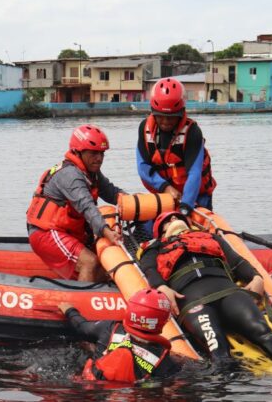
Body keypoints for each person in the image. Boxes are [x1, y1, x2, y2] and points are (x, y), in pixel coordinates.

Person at [139, 211, 272, 377]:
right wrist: (162, 287)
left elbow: (237, 262)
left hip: (229, 293)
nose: (174, 220)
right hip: (194, 301)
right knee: (217, 347)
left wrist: (256, 278)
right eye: (168, 221)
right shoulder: (155, 249)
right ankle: (225, 376)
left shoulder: (210, 238)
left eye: (176, 217)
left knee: (262, 331)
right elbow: (150, 271)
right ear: (161, 232)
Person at [27, 124, 124, 282]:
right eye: (93, 153)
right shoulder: (71, 175)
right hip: (45, 232)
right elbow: (88, 208)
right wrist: (107, 232)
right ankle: (81, 303)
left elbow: (112, 193)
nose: (99, 159)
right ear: (78, 152)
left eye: (101, 154)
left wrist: (138, 203)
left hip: (65, 231)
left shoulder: (92, 173)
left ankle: (97, 291)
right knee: (90, 262)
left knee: (104, 265)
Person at [58, 288, 181, 383]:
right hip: (131, 393)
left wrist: (69, 310)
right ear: (163, 321)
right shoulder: (166, 362)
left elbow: (81, 327)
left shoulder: (109, 328)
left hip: (91, 387)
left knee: (87, 347)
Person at [137, 78, 217, 216]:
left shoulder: (192, 132)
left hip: (196, 197)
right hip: (164, 195)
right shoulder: (145, 129)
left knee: (196, 233)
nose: (166, 122)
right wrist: (166, 187)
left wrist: (185, 207)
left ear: (181, 113)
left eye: (171, 117)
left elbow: (195, 173)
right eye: (161, 116)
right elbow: (143, 167)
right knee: (148, 229)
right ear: (153, 112)